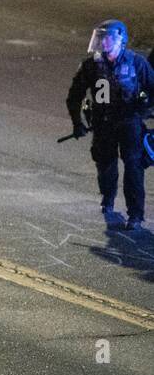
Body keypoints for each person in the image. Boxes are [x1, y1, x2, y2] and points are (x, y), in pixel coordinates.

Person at [66, 20, 154, 231]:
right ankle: (108, 198)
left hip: (129, 122)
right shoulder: (92, 65)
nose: (103, 42)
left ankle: (135, 215)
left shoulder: (136, 63)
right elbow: (74, 95)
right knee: (105, 164)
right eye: (101, 37)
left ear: (120, 39)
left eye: (108, 37)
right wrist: (77, 122)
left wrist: (144, 107)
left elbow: (153, 89)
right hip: (103, 122)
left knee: (133, 167)